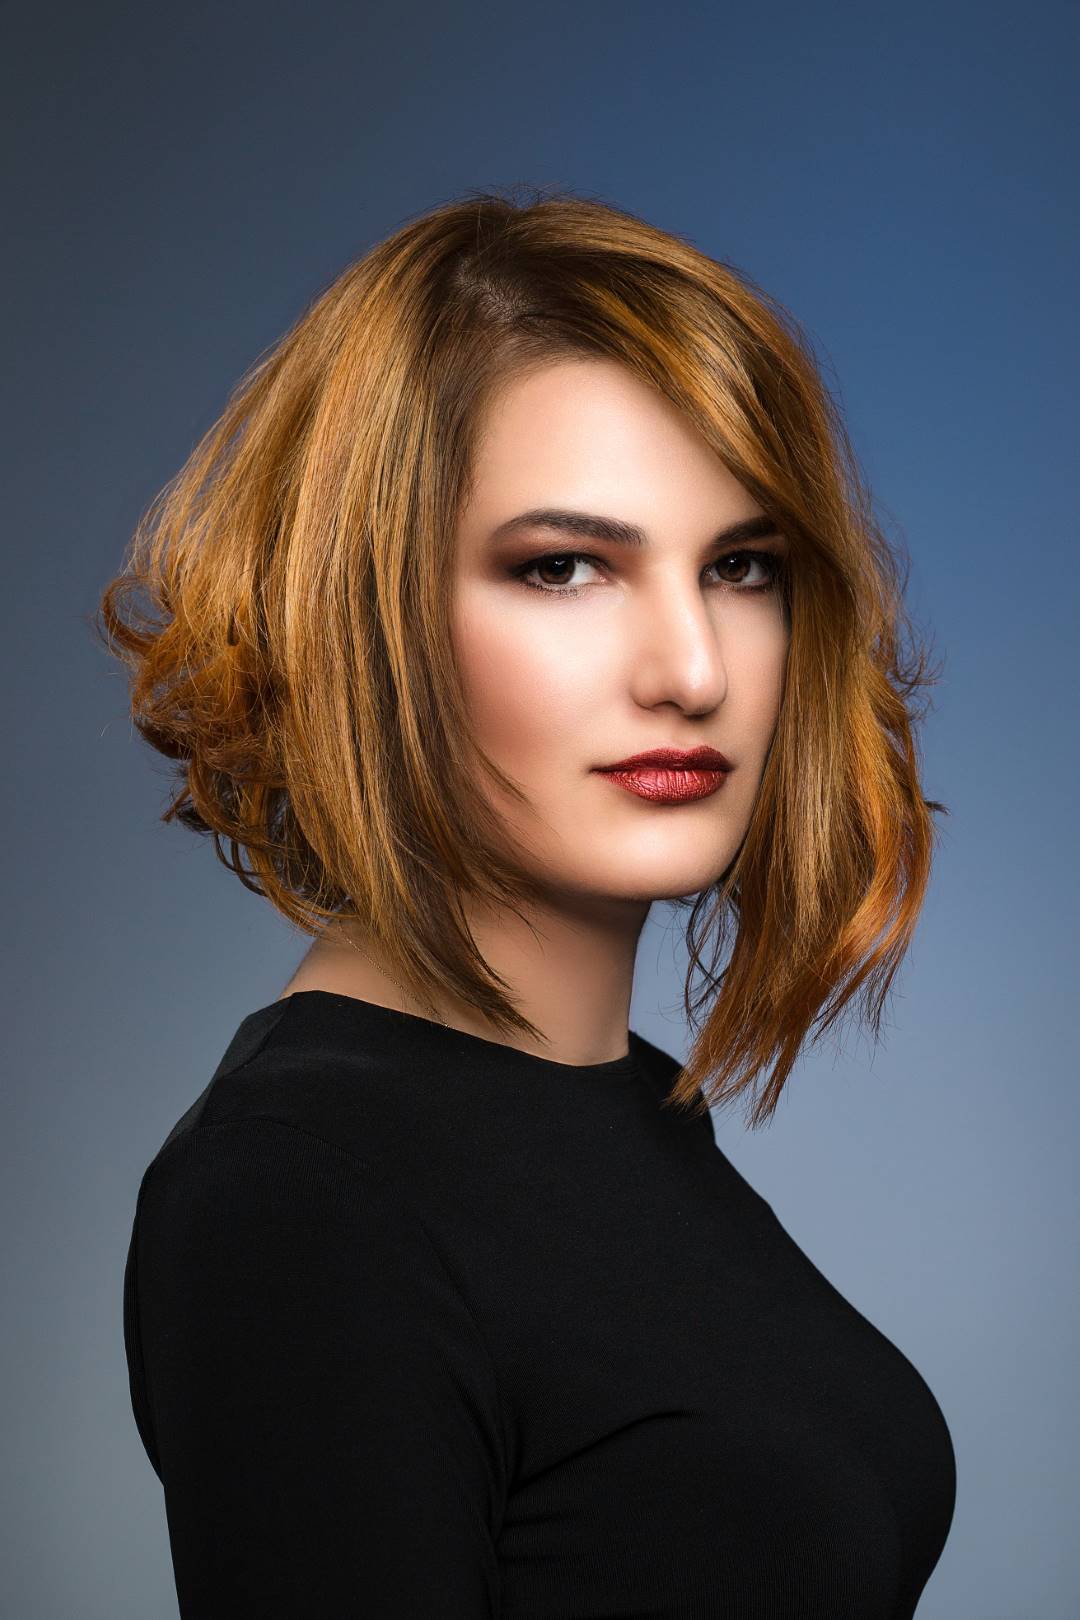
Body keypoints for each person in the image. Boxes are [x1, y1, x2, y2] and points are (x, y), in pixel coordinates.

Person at [97, 186, 956, 1617]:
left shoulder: (620, 1103)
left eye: (741, 566)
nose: (692, 669)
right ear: (366, 619)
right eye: (564, 568)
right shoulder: (304, 1192)